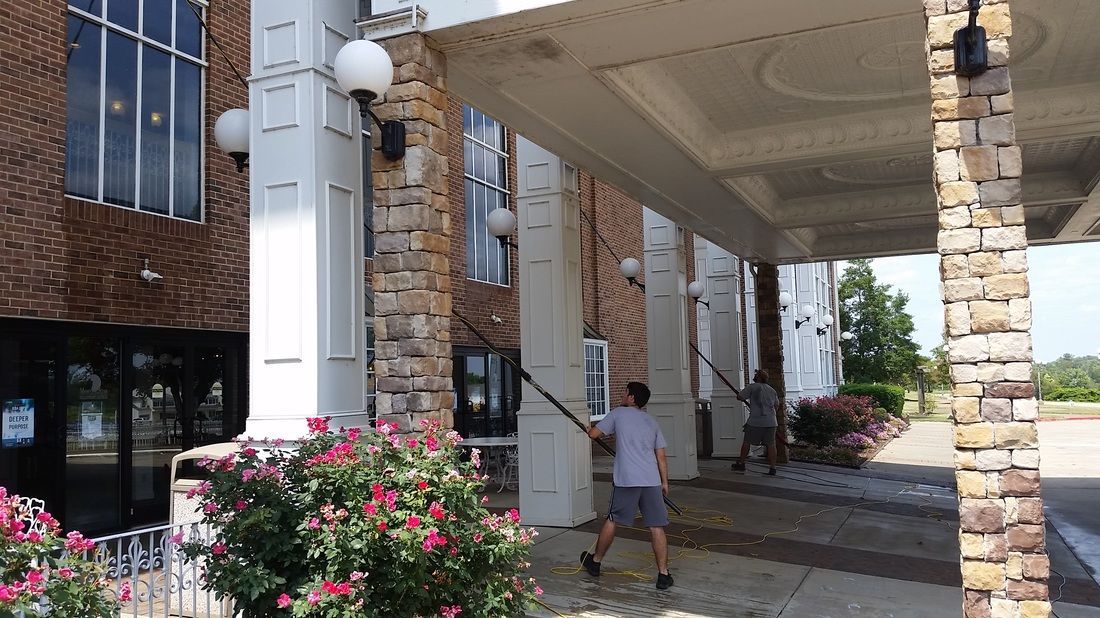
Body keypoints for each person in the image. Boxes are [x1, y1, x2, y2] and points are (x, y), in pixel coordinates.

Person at [580, 382, 673, 590]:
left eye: (625, 392)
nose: (622, 395)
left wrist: (590, 429)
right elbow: (661, 457)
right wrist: (665, 482)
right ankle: (663, 574)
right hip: (651, 481)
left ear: (631, 398)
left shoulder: (618, 414)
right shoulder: (651, 422)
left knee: (613, 520)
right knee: (656, 526)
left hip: (627, 480)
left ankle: (595, 562)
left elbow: (594, 434)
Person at [732, 369, 782, 475]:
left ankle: (741, 463)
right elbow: (776, 405)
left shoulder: (752, 387)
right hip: (771, 422)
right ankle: (772, 468)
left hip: (755, 421)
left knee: (747, 442)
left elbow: (740, 397)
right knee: (771, 445)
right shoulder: (772, 390)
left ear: (758, 377)